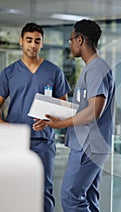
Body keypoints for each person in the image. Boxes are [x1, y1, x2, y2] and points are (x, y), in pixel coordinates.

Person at [0, 22, 71, 212]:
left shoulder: (53, 71)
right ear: (21, 41)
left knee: (44, 190)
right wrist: (5, 126)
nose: (33, 45)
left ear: (42, 44)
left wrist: (50, 121)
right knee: (13, 189)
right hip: (16, 143)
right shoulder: (9, 73)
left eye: (37, 41)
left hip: (43, 142)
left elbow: (64, 107)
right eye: (29, 40)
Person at [45, 19, 115, 212]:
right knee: (89, 198)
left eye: (71, 41)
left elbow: (93, 111)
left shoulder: (97, 68)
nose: (70, 45)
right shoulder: (91, 68)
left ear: (81, 40)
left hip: (88, 144)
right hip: (87, 143)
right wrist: (54, 115)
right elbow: (83, 107)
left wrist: (62, 124)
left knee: (70, 196)